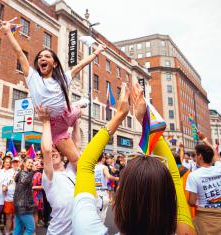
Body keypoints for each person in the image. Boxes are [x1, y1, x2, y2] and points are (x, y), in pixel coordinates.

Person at [72, 82, 196, 235]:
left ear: (118, 203)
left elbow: (84, 164)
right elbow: (175, 176)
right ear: (172, 202)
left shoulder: (88, 231)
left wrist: (119, 116)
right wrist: (144, 120)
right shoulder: (186, 232)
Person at [0, 20, 105, 168]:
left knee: (78, 112)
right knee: (76, 160)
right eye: (40, 57)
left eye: (47, 56)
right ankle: (78, 104)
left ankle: (79, 105)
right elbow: (19, 53)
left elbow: (81, 65)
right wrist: (8, 32)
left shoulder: (63, 78)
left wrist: (96, 52)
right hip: (55, 127)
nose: (42, 58)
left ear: (54, 63)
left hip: (67, 113)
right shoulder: (32, 77)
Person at [36, 105, 81, 235]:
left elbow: (76, 146)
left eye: (56, 151)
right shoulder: (49, 177)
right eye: (51, 154)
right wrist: (45, 123)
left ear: (62, 154)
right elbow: (47, 149)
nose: (53, 153)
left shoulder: (70, 171)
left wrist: (75, 121)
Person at [185, 134, 221, 234]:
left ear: (200, 156)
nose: (195, 158)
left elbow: (192, 201)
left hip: (204, 217)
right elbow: (216, 153)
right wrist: (204, 139)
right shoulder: (220, 168)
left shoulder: (194, 175)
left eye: (196, 154)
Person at [13, 157, 35, 235]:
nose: (31, 164)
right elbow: (25, 182)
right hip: (23, 206)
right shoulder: (23, 173)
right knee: (30, 228)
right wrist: (33, 171)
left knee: (18, 229)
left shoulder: (22, 173)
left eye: (32, 163)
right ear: (24, 164)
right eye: (29, 162)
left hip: (19, 205)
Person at [95, 153, 119, 222]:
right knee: (101, 218)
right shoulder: (103, 167)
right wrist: (119, 178)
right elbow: (108, 176)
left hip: (93, 193)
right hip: (102, 194)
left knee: (95, 215)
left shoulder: (92, 167)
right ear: (102, 158)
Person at [3, 156, 20, 235]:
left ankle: (14, 232)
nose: (15, 163)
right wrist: (4, 187)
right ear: (12, 163)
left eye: (17, 162)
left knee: (16, 217)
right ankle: (7, 232)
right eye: (14, 162)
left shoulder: (22, 172)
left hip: (18, 199)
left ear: (19, 163)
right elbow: (5, 183)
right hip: (8, 198)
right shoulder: (8, 172)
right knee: (8, 217)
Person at [32, 160, 44, 227]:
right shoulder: (30, 173)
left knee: (35, 213)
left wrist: (32, 187)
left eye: (37, 165)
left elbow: (43, 186)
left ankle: (33, 231)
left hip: (36, 196)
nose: (36, 166)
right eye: (35, 165)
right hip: (29, 196)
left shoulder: (39, 174)